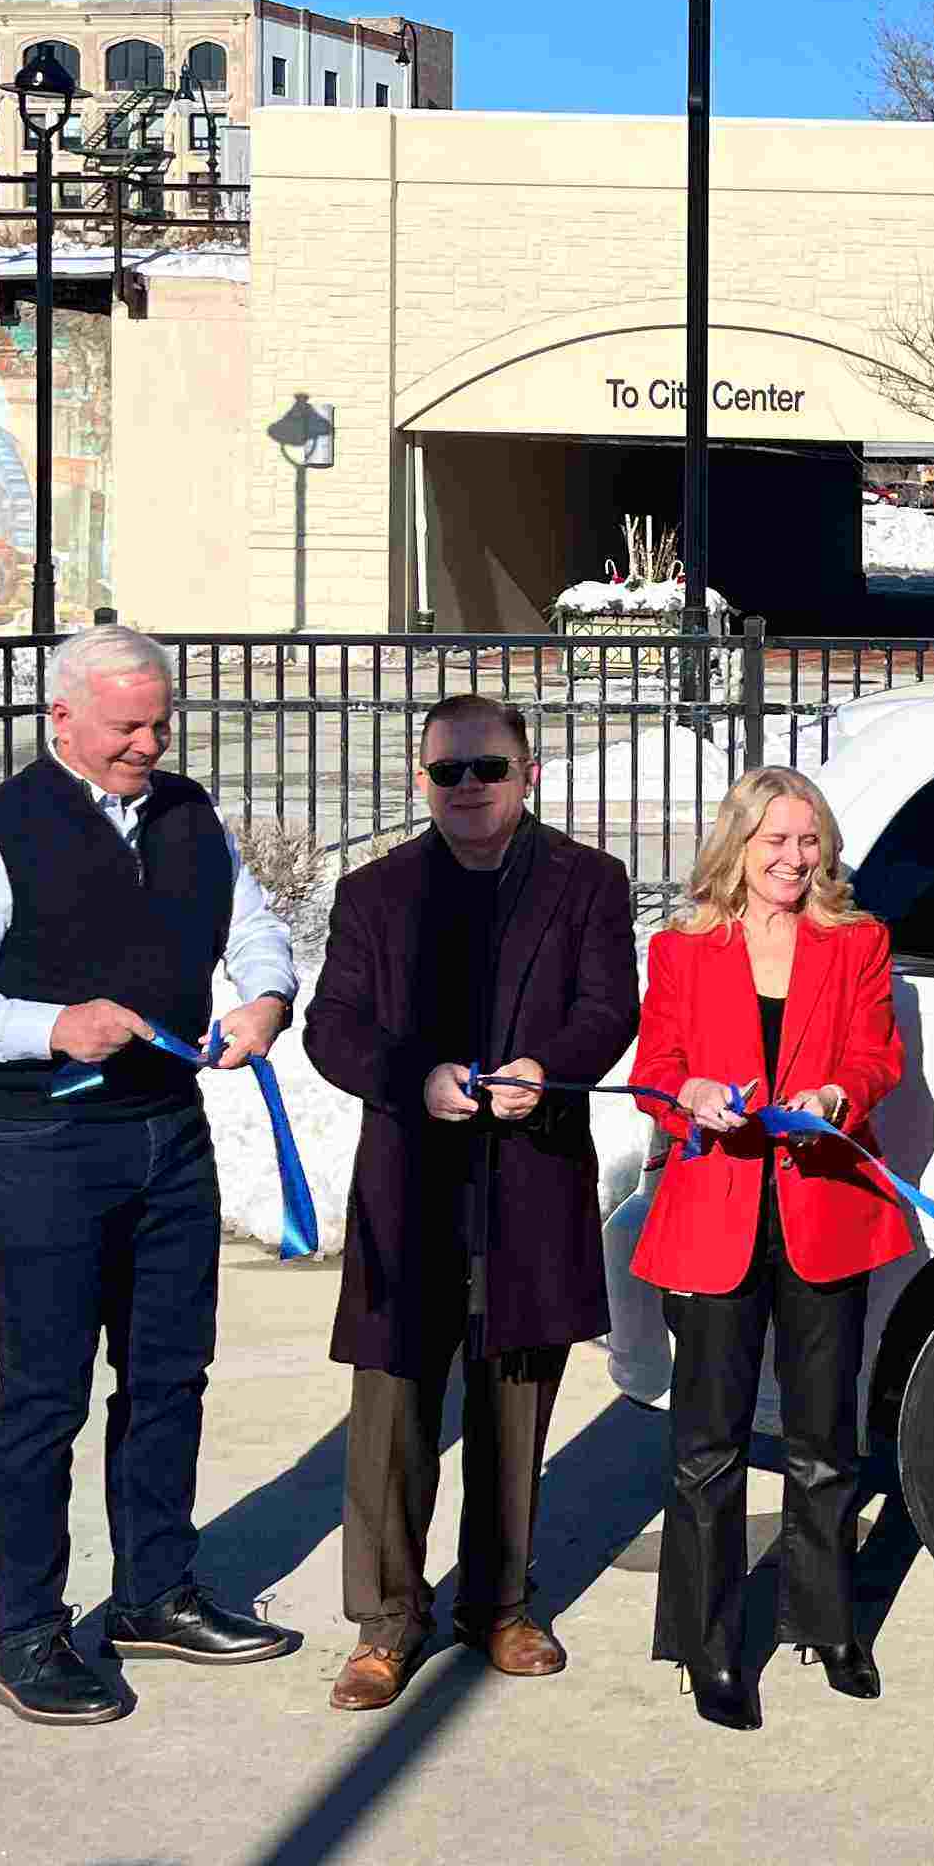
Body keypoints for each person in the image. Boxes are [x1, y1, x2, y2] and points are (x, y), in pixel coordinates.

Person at [0, 622, 306, 1725]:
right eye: (126, 726)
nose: (148, 744)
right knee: (44, 1392)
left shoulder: (188, 815)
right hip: (37, 1145)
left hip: (168, 1132)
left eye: (160, 722)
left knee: (170, 1373)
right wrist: (49, 1024)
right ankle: (27, 1633)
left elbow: (255, 931)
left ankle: (153, 1593)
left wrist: (263, 1001)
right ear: (59, 718)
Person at [298, 693, 638, 1712]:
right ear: (422, 781)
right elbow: (332, 1028)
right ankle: (384, 1623)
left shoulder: (587, 881)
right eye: (448, 772)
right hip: (412, 1181)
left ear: (526, 773)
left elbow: (608, 1006)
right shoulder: (375, 893)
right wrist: (413, 1079)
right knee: (392, 1405)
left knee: (513, 1397)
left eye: (488, 767)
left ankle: (501, 1603)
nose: (469, 788)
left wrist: (553, 1063)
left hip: (528, 1174)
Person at [630, 766, 910, 1732]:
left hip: (823, 1209)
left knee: (824, 1439)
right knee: (706, 1446)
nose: (793, 859)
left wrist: (841, 1097)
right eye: (774, 841)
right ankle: (707, 1647)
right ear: (738, 847)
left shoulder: (858, 943)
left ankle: (827, 1623)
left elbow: (880, 1057)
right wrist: (689, 1096)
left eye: (808, 841)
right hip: (715, 1216)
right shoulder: (682, 948)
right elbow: (654, 1070)